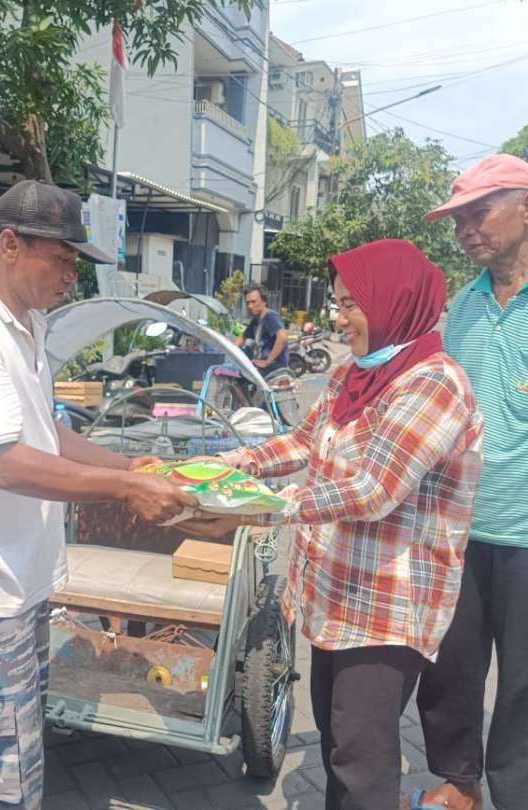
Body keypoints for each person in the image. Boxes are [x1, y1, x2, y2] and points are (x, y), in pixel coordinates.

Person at [0, 180, 200, 809]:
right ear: (11, 245)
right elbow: (6, 464)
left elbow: (44, 436)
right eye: (64, 258)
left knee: (17, 759)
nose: (73, 274)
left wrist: (132, 463)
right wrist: (127, 488)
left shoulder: (26, 323)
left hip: (23, 581)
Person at [187, 239, 483, 810]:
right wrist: (231, 464)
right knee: (337, 742)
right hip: (333, 597)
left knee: (361, 762)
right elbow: (303, 440)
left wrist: (266, 503)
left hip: (385, 608)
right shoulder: (354, 374)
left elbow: (376, 489)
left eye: (351, 304)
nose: (337, 317)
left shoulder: (433, 383)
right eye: (337, 302)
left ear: (393, 300)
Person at [413, 154, 528, 810]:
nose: (465, 229)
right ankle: (461, 784)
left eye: (478, 212)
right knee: (450, 673)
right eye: (457, 219)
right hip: (462, 534)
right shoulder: (463, 307)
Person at [235, 283, 289, 378]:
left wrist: (267, 362)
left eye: (253, 302)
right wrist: (229, 351)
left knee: (238, 378)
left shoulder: (270, 316)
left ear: (264, 301)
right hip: (262, 366)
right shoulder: (256, 320)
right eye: (247, 303)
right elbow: (243, 337)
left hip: (273, 368)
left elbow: (283, 337)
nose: (250, 306)